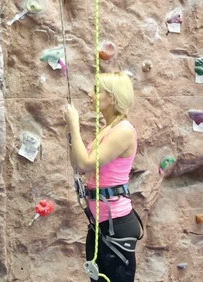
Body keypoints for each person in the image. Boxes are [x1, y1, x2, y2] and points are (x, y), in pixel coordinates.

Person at [63, 72, 143, 282]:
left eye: (97, 90)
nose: (90, 94)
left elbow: (85, 163)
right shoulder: (107, 129)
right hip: (101, 223)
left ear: (113, 98)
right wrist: (73, 136)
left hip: (115, 224)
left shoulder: (123, 131)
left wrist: (74, 124)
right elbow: (78, 164)